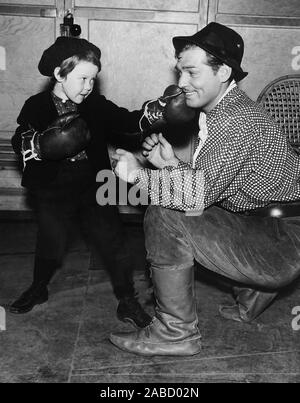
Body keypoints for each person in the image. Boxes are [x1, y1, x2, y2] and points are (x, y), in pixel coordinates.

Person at [109, 22, 300, 356]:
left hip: (283, 238)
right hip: (270, 224)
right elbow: (216, 183)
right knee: (188, 204)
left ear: (223, 71)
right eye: (180, 72)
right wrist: (170, 165)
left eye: (192, 73)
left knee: (165, 214)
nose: (181, 83)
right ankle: (252, 297)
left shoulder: (237, 119)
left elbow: (197, 194)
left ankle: (175, 333)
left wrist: (137, 174)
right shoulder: (226, 110)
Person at [9, 36, 152, 329]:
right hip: (54, 184)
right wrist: (39, 143)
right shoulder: (36, 105)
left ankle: (127, 299)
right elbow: (19, 137)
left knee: (114, 240)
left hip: (95, 181)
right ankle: (39, 287)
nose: (88, 86)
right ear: (59, 74)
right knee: (50, 240)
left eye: (93, 79)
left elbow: (127, 121)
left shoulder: (95, 104)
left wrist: (157, 111)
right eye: (82, 78)